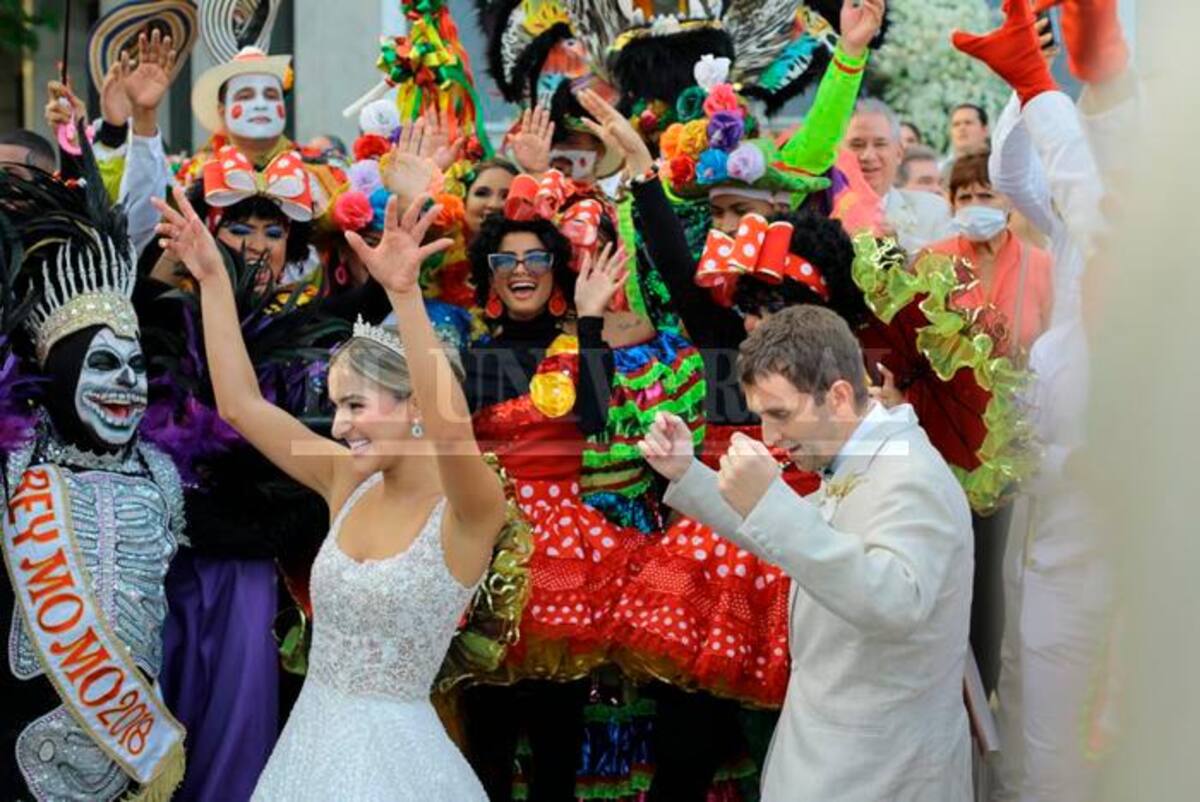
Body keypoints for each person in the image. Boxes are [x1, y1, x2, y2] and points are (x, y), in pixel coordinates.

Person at [153, 186, 507, 801]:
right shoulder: (347, 481)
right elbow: (240, 406)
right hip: (306, 752)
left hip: (400, 770)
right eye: (337, 406)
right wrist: (212, 278)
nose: (339, 426)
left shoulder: (469, 510)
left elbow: (453, 431)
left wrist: (404, 295)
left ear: (416, 406)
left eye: (356, 406)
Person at [639, 305, 975, 802]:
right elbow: (799, 536)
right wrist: (688, 473)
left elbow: (896, 601)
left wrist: (770, 502)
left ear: (837, 396)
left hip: (881, 772)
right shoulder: (861, 458)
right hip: (830, 753)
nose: (770, 437)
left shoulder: (911, 475)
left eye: (780, 414)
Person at [953, 0, 1132, 797]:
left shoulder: (1141, 248)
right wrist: (1022, 84)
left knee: (1088, 741)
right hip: (1041, 539)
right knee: (1028, 711)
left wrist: (1039, 80)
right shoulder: (1081, 239)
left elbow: (1094, 201)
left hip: (1108, 558)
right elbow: (1015, 177)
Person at [0, 155, 187, 802]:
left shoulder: (162, 474)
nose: (127, 382)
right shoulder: (15, 462)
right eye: (103, 363)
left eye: (137, 366)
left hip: (126, 759)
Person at [928, 152, 1055, 355]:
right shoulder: (933, 260)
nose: (975, 205)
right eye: (965, 198)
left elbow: (1055, 341)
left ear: (1010, 202)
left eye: (986, 196)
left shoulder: (1040, 265)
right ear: (952, 205)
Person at [846, 98, 954, 252]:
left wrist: (898, 242)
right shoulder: (820, 212)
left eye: (880, 144)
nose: (868, 156)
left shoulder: (933, 211)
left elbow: (948, 263)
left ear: (899, 153)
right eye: (857, 145)